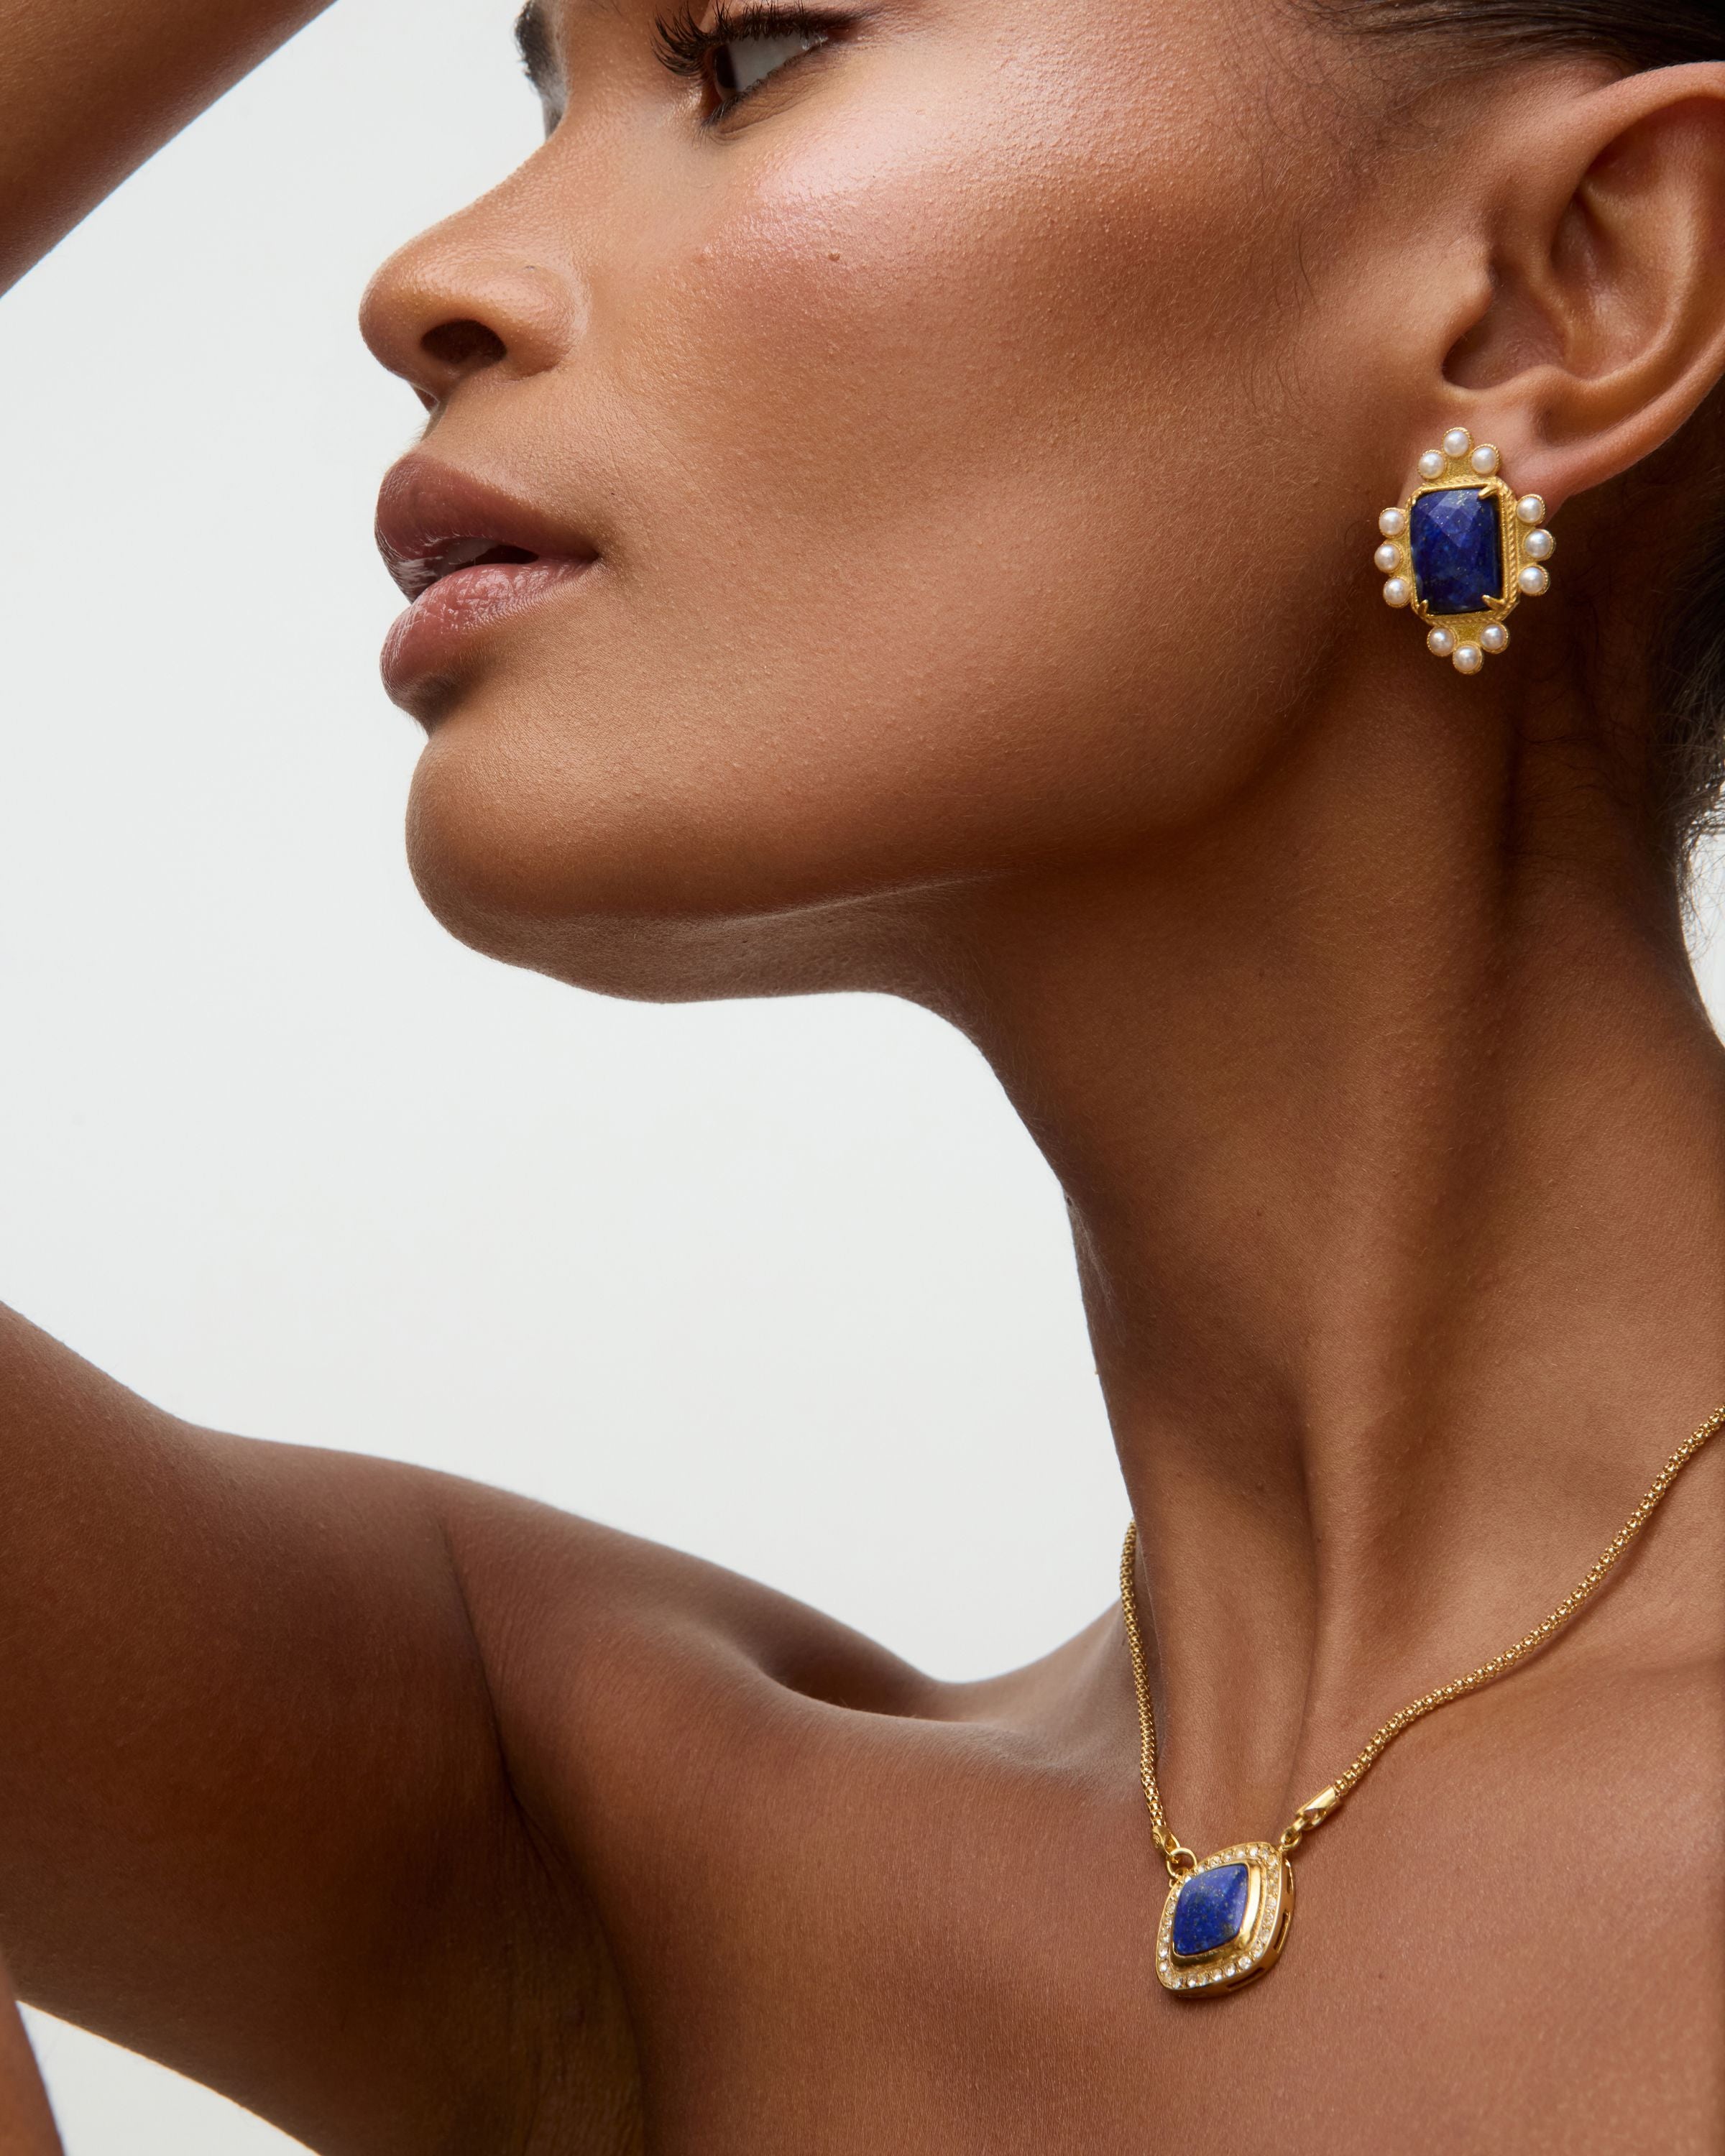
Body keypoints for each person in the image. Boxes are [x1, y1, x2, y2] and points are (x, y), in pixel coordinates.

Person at [2, 0, 1724, 2148]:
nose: (425, 278)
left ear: (1561, 287)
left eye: (745, 56)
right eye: (540, 92)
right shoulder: (623, 1864)